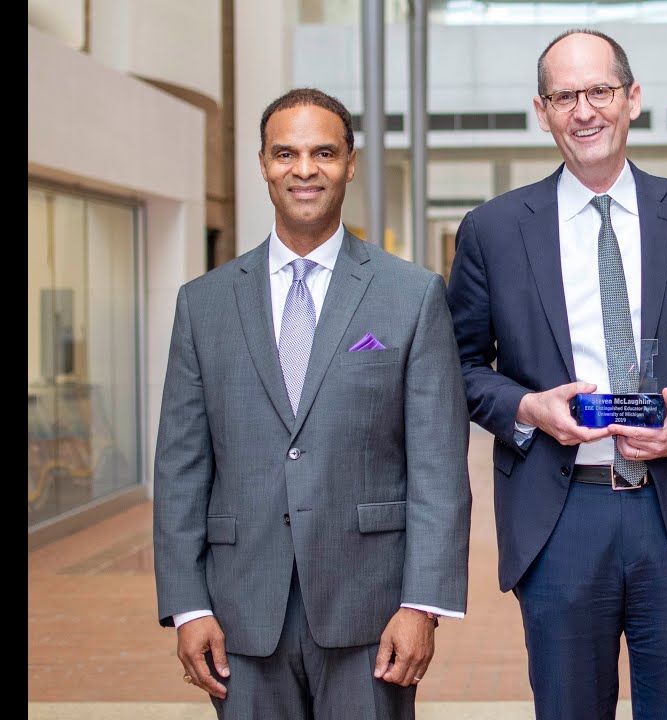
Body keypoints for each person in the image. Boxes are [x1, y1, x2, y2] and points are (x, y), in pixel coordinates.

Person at [446, 28, 667, 720]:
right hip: (559, 518)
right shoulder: (493, 231)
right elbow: (461, 366)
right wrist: (528, 408)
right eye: (565, 96)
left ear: (632, 99)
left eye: (600, 91)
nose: (584, 110)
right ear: (542, 111)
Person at [152, 87, 472, 719]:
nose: (304, 169)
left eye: (323, 152)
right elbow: (181, 466)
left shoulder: (411, 296)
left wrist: (422, 605)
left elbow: (437, 466)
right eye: (285, 153)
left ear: (349, 163)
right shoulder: (203, 304)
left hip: (372, 611)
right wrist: (189, 606)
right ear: (264, 165)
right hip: (241, 611)